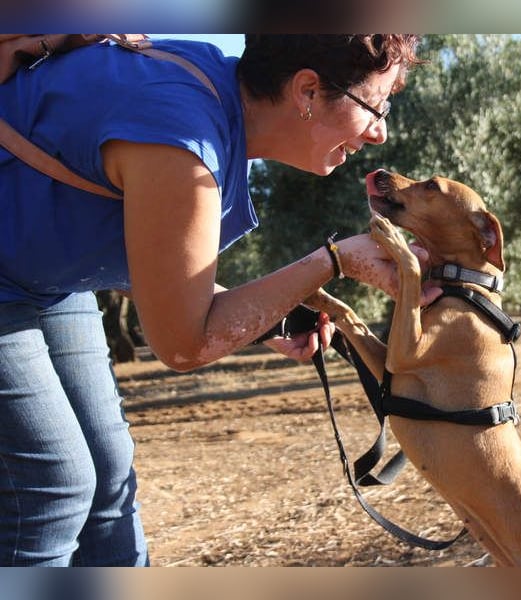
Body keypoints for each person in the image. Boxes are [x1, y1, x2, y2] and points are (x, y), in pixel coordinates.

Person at [0, 34, 430, 566]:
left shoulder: (218, 106)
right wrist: (332, 261)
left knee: (108, 476)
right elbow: (183, 345)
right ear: (307, 91)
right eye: (375, 105)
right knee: (51, 484)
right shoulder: (182, 136)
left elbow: (160, 276)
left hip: (41, 278)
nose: (380, 131)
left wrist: (270, 319)